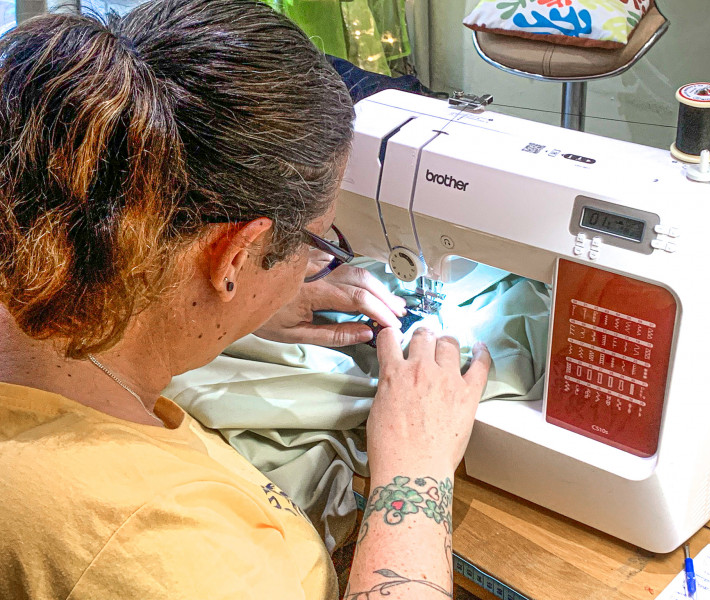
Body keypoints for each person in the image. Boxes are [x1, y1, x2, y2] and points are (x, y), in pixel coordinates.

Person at [0, 0, 492, 598]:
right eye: (321, 240)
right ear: (233, 254)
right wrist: (416, 473)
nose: (322, 259)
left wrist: (237, 306)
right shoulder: (162, 547)